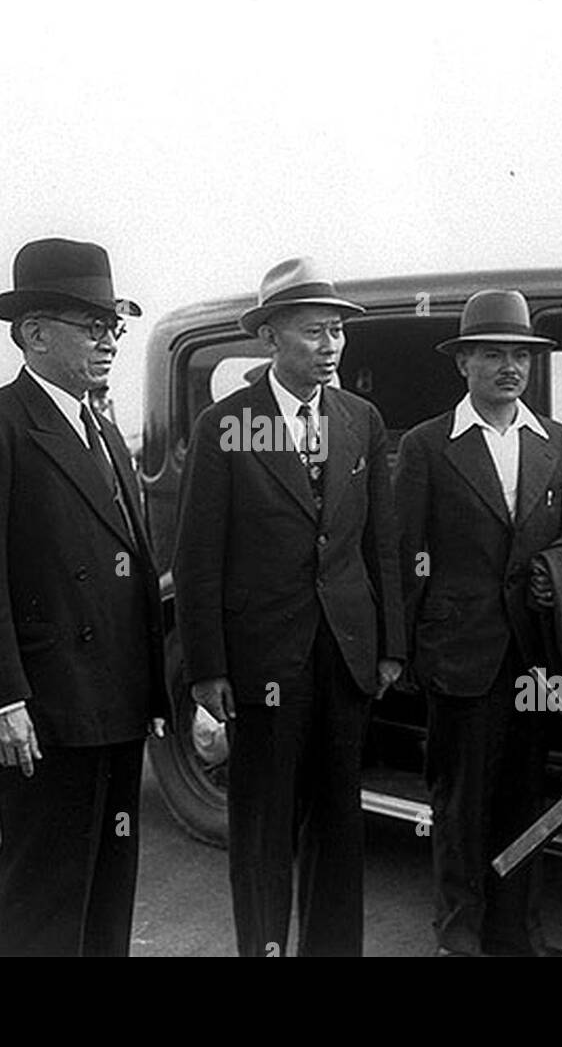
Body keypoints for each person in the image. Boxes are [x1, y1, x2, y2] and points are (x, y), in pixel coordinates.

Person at [0, 237, 167, 957]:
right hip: (46, 707)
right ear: (34, 332)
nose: (109, 343)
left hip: (116, 701)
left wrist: (154, 693)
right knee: (45, 903)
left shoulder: (102, 429)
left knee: (107, 895)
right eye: (91, 326)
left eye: (114, 328)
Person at [173, 256, 405, 957]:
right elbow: (197, 555)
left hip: (344, 656)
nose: (331, 346)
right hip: (262, 660)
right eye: (313, 332)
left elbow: (380, 542)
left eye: (337, 332)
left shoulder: (360, 420)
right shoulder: (227, 425)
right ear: (271, 336)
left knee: (340, 822)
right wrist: (206, 667)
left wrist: (390, 644)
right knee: (263, 826)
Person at [395, 289, 562, 957]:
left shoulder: (558, 442)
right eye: (492, 355)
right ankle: (460, 937)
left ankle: (518, 934)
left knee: (528, 806)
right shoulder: (430, 445)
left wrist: (559, 565)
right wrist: (405, 652)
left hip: (537, 658)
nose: (508, 367)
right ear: (464, 364)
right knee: (460, 809)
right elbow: (405, 551)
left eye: (519, 355)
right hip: (459, 657)